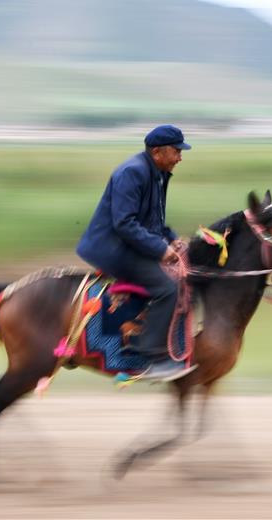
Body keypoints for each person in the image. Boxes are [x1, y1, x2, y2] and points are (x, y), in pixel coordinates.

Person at [76, 125, 196, 382]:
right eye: (176, 151)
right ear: (157, 152)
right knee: (168, 289)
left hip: (130, 244)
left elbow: (154, 223)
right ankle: (154, 356)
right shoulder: (132, 173)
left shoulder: (158, 174)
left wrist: (173, 240)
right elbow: (124, 224)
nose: (180, 157)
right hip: (113, 249)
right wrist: (160, 249)